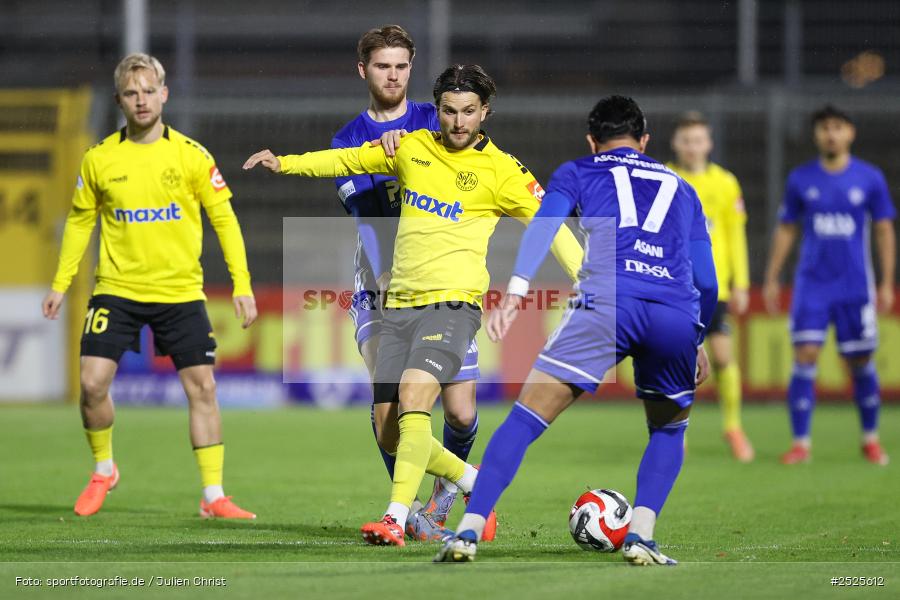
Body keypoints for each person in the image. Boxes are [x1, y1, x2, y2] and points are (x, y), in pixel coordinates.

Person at [244, 64, 583, 546]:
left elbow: (551, 228)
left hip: (452, 306)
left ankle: (395, 518)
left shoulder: (504, 170)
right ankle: (472, 481)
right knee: (388, 430)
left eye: (469, 112)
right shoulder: (413, 148)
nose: (459, 122)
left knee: (416, 396)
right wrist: (286, 162)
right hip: (396, 306)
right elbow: (346, 163)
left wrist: (592, 284)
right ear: (437, 110)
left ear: (485, 112)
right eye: (449, 111)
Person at [436, 95, 717, 565]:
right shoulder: (684, 189)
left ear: (592, 141)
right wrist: (698, 334)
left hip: (607, 303)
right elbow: (706, 279)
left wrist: (517, 291)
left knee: (526, 419)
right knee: (669, 429)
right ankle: (642, 537)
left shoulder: (579, 171)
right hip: (674, 311)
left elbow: (544, 226)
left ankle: (467, 529)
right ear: (645, 141)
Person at [42, 53, 259, 518]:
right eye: (131, 93)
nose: (141, 101)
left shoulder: (191, 155)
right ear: (120, 100)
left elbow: (226, 221)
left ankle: (214, 496)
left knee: (202, 388)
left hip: (179, 292)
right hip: (116, 288)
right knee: (92, 384)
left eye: (148, 91)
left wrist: (242, 283)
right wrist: (61, 284)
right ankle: (104, 469)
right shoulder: (99, 158)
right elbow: (80, 222)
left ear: (164, 94)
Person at [331, 26, 481, 535]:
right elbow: (367, 220)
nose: (392, 75)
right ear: (363, 70)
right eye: (381, 66)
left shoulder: (436, 119)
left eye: (400, 66)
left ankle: (450, 489)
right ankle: (412, 512)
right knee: (387, 420)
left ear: (411, 67)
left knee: (460, 413)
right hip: (378, 286)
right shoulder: (348, 140)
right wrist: (387, 273)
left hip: (441, 280)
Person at [763, 105, 894, 466]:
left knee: (860, 360)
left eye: (837, 127)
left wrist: (885, 281)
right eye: (824, 128)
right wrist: (773, 277)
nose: (831, 134)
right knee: (805, 355)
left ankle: (870, 439)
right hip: (812, 286)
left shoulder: (869, 178)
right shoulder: (801, 179)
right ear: (816, 135)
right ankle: (800, 443)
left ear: (850, 133)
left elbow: (883, 228)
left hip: (855, 286)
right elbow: (787, 228)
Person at [668, 112, 753, 462]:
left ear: (709, 143)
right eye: (687, 140)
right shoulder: (665, 177)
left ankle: (732, 427)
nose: (692, 146)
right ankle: (676, 431)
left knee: (721, 357)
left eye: (698, 140)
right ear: (677, 143)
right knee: (676, 360)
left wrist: (743, 283)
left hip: (713, 288)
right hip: (674, 284)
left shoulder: (725, 183)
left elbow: (735, 234)